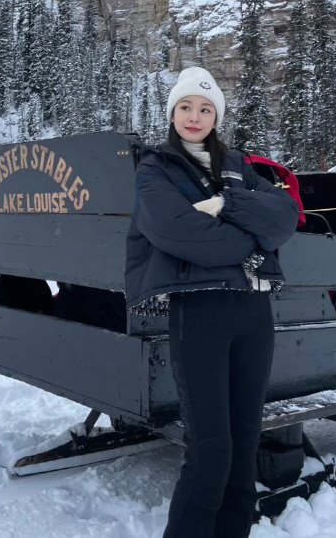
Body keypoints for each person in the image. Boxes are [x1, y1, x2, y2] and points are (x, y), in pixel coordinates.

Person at [125, 67, 298, 538]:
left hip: (253, 312)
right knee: (210, 451)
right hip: (199, 314)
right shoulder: (155, 167)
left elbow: (285, 218)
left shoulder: (240, 165)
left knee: (243, 448)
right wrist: (249, 239)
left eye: (205, 108)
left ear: (216, 115)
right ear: (173, 113)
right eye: (186, 107)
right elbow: (176, 231)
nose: (195, 116)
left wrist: (223, 205)